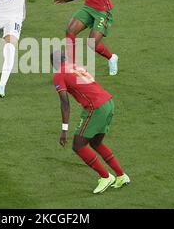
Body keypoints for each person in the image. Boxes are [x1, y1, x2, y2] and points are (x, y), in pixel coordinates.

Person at [51, 50, 129, 194]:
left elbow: (65, 103)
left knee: (78, 145)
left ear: (53, 63)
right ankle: (121, 175)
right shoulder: (77, 66)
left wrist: (64, 130)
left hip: (96, 108)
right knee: (95, 143)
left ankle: (105, 177)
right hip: (108, 102)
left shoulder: (59, 75)